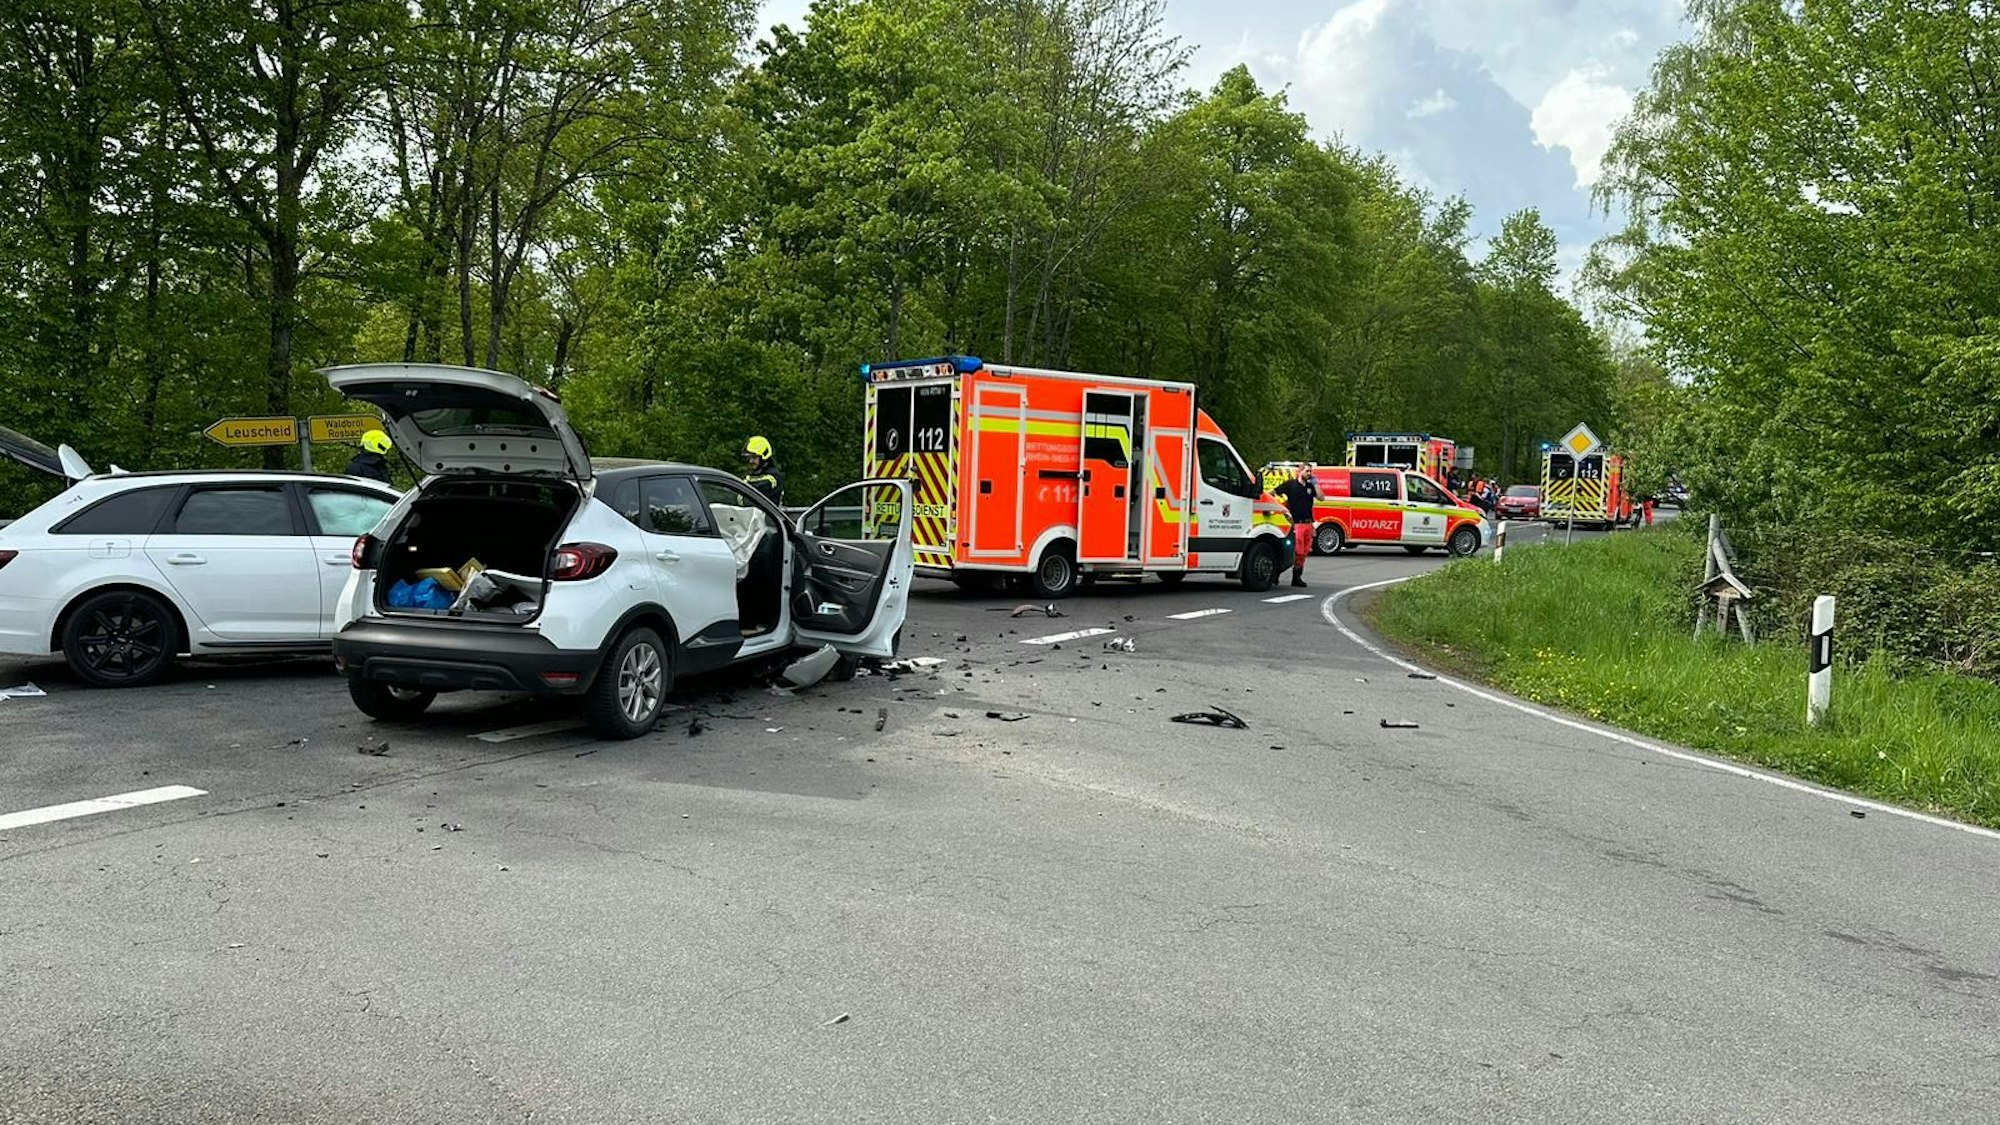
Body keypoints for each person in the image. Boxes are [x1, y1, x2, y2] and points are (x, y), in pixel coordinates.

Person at [1272, 465, 1317, 589]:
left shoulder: (1309, 486)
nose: (1309, 473)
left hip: (1308, 523)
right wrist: (1281, 509)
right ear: (1299, 471)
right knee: (1296, 551)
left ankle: (1297, 577)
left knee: (1304, 553)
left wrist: (1316, 484)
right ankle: (1275, 574)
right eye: (1307, 471)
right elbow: (1272, 493)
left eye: (1310, 471)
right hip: (1296, 523)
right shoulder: (1290, 485)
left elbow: (1321, 497)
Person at [743, 435, 783, 506]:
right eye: (749, 457)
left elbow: (751, 497)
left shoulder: (773, 477)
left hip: (767, 516)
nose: (751, 461)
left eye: (754, 457)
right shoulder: (751, 476)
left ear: (764, 456)